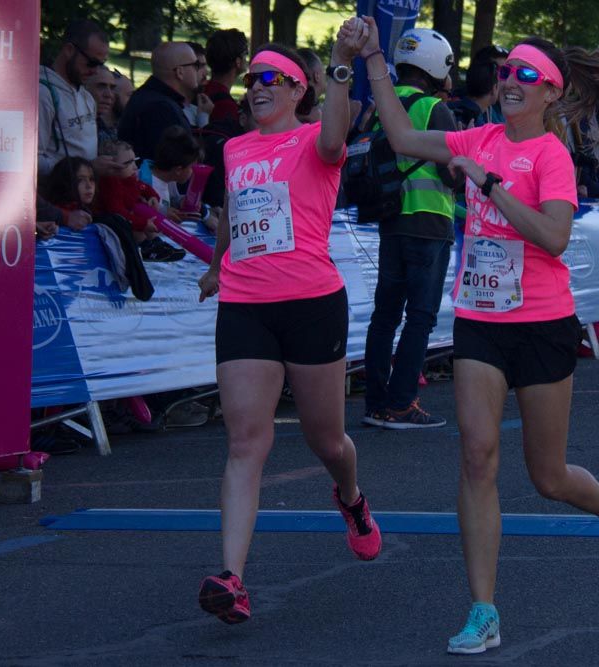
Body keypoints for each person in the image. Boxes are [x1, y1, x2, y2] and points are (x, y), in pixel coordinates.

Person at [353, 17, 599, 654]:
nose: (511, 80)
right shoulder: (477, 136)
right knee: (477, 456)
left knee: (546, 474)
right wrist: (376, 60)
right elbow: (404, 135)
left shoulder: (551, 156)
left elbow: (553, 237)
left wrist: (488, 184)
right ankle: (483, 611)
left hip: (543, 324)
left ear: (551, 91)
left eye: (526, 73)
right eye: (505, 70)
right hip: (481, 322)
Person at [195, 33, 382, 625]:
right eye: (251, 80)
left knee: (325, 440)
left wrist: (343, 66)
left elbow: (336, 129)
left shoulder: (314, 140)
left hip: (312, 304)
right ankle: (232, 578)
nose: (255, 89)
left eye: (269, 79)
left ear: (300, 90)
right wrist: (215, 265)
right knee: (246, 442)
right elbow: (232, 212)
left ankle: (351, 500)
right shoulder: (235, 148)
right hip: (246, 306)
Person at [362, 27, 459, 430]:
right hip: (430, 221)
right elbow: (453, 172)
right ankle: (402, 404)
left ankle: (377, 403)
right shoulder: (434, 109)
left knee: (385, 315)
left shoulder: (378, 108)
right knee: (420, 316)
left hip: (391, 222)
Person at [38, 20, 118, 178]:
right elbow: (33, 162)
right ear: (69, 50)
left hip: (86, 195)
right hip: (58, 198)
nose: (95, 71)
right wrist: (88, 168)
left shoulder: (86, 95)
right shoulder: (44, 94)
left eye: (100, 65)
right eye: (91, 63)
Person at [119, 41, 201, 161]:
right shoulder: (161, 109)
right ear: (179, 72)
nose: (198, 71)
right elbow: (175, 163)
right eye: (196, 65)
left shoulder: (147, 97)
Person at [204, 29, 249, 124]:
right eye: (246, 54)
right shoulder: (227, 107)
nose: (247, 59)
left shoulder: (202, 91)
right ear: (238, 61)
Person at [84, 65, 119, 147]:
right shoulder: (77, 128)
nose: (109, 94)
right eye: (101, 86)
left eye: (112, 88)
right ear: (85, 88)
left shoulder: (108, 129)